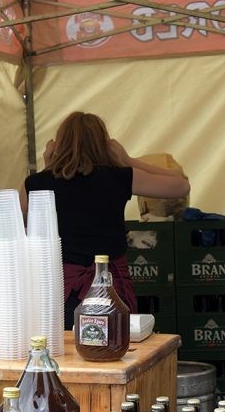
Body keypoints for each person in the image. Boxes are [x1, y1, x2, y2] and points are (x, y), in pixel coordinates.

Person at [23, 112, 190, 329]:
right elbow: (181, 184)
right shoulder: (119, 177)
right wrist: (127, 160)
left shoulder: (36, 183)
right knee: (112, 344)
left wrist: (48, 166)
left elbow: (16, 227)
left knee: (63, 346)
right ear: (103, 144)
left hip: (60, 289)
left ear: (59, 144)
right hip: (111, 288)